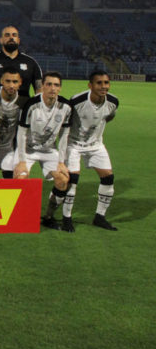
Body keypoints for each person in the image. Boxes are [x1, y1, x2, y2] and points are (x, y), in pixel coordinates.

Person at [13, 72, 73, 231]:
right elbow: (21, 134)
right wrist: (22, 161)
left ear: (60, 88)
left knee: (63, 180)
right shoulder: (31, 104)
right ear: (43, 86)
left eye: (56, 85)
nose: (52, 88)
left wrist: (61, 162)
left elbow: (64, 136)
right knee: (20, 179)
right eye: (49, 84)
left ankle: (48, 217)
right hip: (28, 150)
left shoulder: (66, 107)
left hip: (49, 150)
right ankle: (21, 216)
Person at [64, 71, 120, 231]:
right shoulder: (77, 101)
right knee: (72, 180)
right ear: (90, 85)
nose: (103, 86)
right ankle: (67, 218)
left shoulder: (113, 101)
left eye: (106, 83)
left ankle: (100, 217)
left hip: (96, 144)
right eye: (99, 83)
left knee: (108, 177)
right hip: (74, 144)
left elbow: (109, 116)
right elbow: (65, 122)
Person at [0, 67, 28, 178]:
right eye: (8, 81)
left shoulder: (24, 100)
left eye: (15, 82)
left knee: (13, 176)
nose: (11, 85)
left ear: (20, 83)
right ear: (1, 81)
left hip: (8, 147)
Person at [0, 26, 43, 96]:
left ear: (18, 40)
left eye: (14, 35)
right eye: (7, 35)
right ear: (1, 40)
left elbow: (39, 89)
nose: (11, 37)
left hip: (23, 103)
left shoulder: (31, 63)